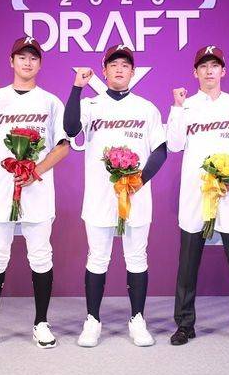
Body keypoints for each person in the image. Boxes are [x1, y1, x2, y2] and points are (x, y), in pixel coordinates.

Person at [0, 36, 70, 350]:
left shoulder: (50, 101)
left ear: (40, 64)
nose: (27, 62)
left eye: (33, 58)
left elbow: (63, 146)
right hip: (1, 193)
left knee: (41, 256)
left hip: (37, 193)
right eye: (22, 57)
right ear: (11, 61)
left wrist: (35, 171)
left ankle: (41, 323)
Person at [63, 44, 167, 347]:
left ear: (133, 72)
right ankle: (92, 320)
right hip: (100, 197)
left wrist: (139, 180)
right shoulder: (91, 105)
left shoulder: (146, 108)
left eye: (125, 65)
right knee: (97, 258)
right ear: (104, 70)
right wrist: (76, 89)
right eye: (113, 64)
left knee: (137, 258)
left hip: (136, 197)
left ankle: (137, 319)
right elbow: (70, 128)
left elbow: (161, 150)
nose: (119, 69)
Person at [167, 45, 229, 347]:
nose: (209, 71)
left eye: (215, 66)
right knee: (187, 263)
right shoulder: (186, 106)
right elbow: (174, 144)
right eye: (203, 66)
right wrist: (177, 108)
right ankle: (185, 324)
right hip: (196, 195)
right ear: (195, 72)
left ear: (224, 71)